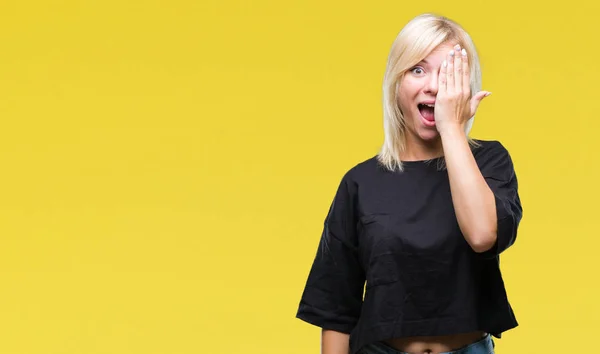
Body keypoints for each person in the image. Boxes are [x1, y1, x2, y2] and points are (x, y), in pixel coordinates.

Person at [295, 13, 523, 354]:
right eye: (418, 69)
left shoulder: (489, 161)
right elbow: (335, 308)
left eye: (448, 72)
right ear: (396, 82)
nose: (433, 85)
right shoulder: (361, 182)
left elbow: (482, 235)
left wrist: (452, 128)